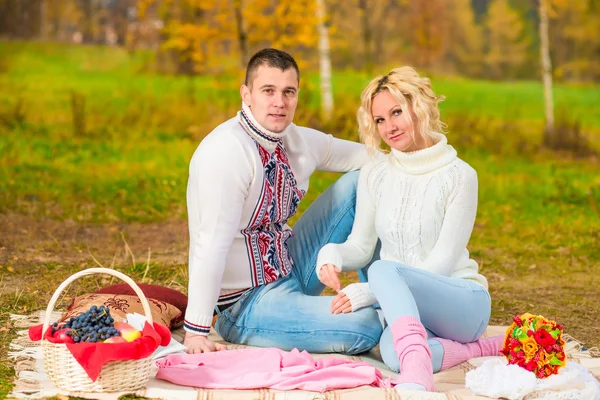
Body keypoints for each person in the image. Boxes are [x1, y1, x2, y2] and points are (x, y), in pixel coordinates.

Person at [183, 48, 383, 354]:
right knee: (366, 326)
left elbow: (371, 158)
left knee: (365, 180)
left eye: (289, 92)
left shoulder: (297, 139)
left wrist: (421, 161)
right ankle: (368, 311)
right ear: (246, 95)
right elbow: (209, 244)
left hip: (290, 265)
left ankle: (386, 289)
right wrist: (196, 330)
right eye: (268, 91)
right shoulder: (225, 152)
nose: (280, 102)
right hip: (246, 304)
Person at [316, 66, 503, 391]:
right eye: (379, 120)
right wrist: (329, 254)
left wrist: (372, 292)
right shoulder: (376, 173)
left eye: (396, 112)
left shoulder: (460, 176)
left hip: (460, 302)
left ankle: (418, 384)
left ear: (419, 107)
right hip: (410, 312)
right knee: (393, 354)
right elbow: (360, 247)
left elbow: (442, 264)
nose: (389, 127)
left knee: (384, 271)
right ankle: (482, 349)